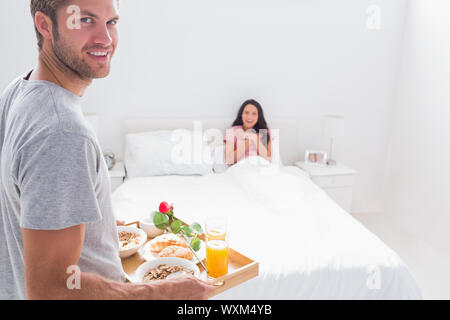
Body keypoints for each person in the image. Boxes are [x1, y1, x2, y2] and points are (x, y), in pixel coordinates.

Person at [0, 0, 214, 300]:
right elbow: (52, 288)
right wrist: (161, 292)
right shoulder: (64, 131)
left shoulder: (19, 91)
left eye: (111, 22)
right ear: (45, 25)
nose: (106, 38)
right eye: (86, 20)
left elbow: (22, 204)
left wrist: (90, 225)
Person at [225, 99, 272, 165]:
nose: (250, 117)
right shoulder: (233, 131)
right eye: (246, 112)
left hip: (260, 169)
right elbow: (229, 160)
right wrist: (248, 141)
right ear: (241, 114)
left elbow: (269, 159)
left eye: (254, 114)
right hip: (241, 169)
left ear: (258, 116)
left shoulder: (264, 131)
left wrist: (255, 138)